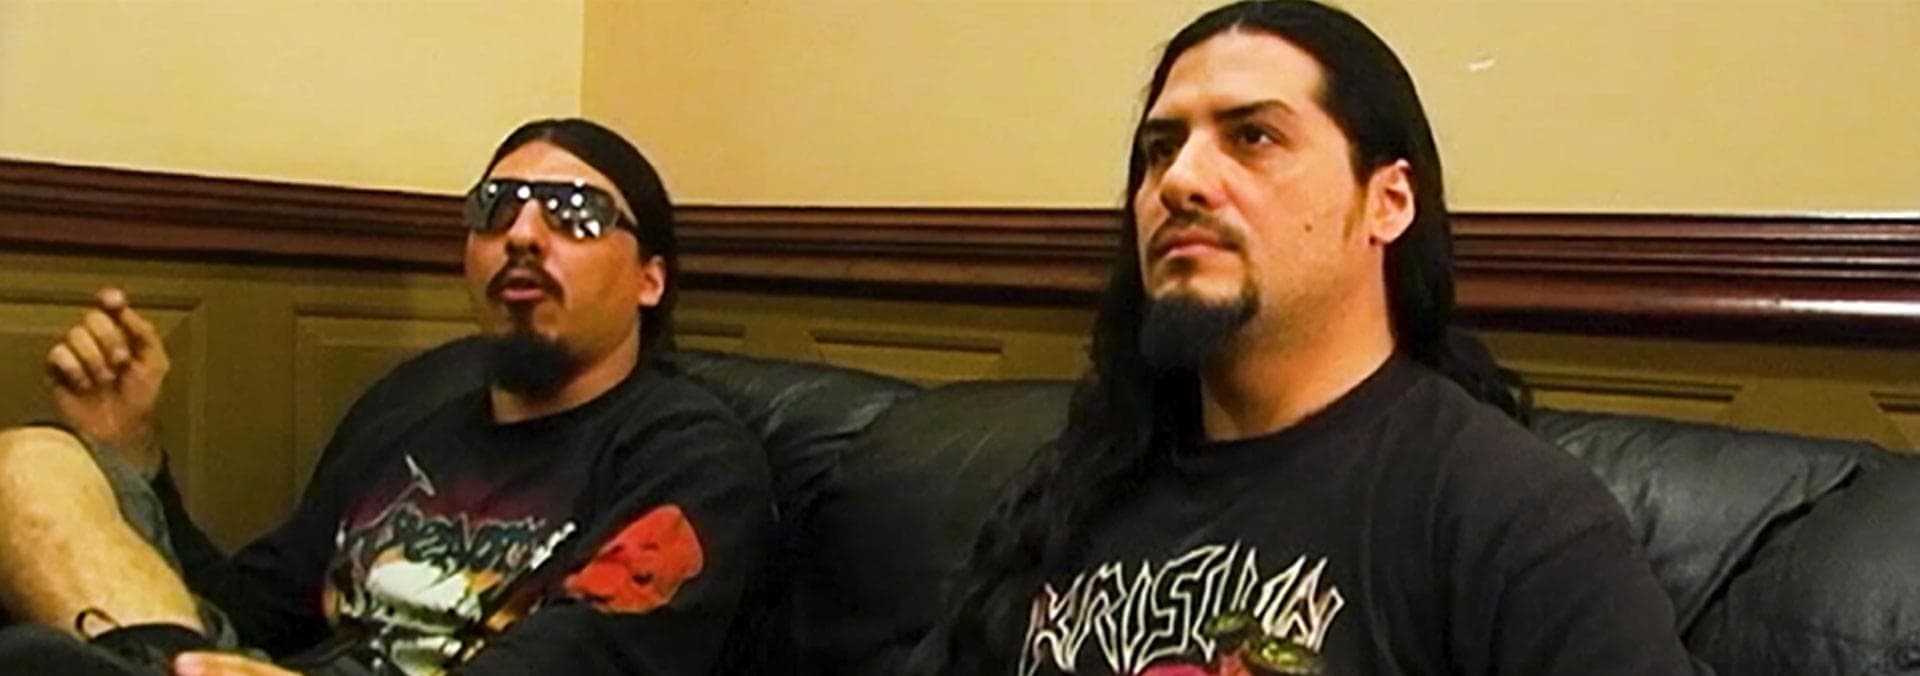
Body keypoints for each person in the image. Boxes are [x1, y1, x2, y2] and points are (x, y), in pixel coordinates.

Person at [911, 2, 1703, 675]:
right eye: (1160, 150)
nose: (1179, 181)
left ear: (1388, 202)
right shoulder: (1077, 483)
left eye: (1252, 136)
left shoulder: (1510, 517)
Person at [0, 118, 772, 675]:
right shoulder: (413, 427)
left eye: (575, 213)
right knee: (30, 461)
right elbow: (246, 605)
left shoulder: (690, 458)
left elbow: (583, 661)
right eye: (495, 208)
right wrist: (136, 455)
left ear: (650, 279)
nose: (522, 235)